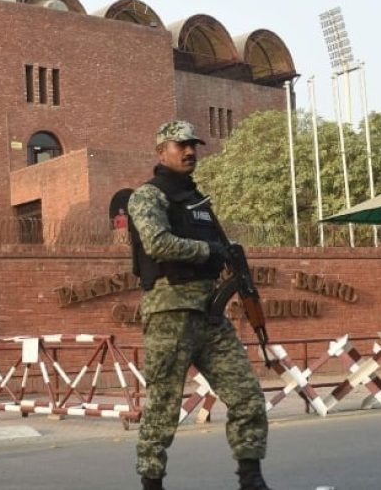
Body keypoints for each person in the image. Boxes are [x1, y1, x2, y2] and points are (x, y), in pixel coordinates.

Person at [127, 120, 271, 490]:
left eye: (193, 145)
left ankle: (251, 478)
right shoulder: (148, 196)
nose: (190, 151)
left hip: (209, 315)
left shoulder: (199, 202)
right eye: (181, 145)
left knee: (247, 396)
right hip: (170, 313)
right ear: (162, 152)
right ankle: (152, 483)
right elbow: (157, 243)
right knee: (163, 405)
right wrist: (209, 250)